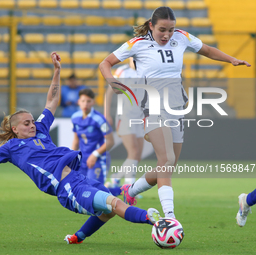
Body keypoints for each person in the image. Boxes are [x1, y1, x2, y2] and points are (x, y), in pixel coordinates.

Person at [0, 52, 161, 245]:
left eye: (32, 121)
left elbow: (52, 101)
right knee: (114, 205)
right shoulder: (11, 148)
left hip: (79, 177)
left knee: (108, 211)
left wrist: (57, 71)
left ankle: (78, 236)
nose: (32, 124)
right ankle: (156, 222)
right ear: (15, 129)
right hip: (66, 187)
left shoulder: (40, 130)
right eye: (26, 123)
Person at [99, 6, 251, 219]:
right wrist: (112, 80)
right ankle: (170, 217)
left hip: (176, 108)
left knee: (168, 164)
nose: (167, 35)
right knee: (167, 159)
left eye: (171, 30)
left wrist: (231, 59)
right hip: (152, 107)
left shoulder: (182, 37)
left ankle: (130, 191)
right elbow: (105, 63)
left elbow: (206, 50)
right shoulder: (137, 44)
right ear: (151, 26)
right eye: (162, 29)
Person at [71, 88, 121, 196]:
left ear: (93, 102)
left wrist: (95, 154)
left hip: (99, 159)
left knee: (94, 190)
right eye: (83, 101)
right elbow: (76, 140)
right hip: (83, 159)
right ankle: (119, 190)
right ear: (79, 101)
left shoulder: (99, 119)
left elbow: (110, 141)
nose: (85, 104)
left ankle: (121, 190)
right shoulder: (75, 117)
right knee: (80, 189)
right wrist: (71, 157)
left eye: (89, 101)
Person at [104, 57, 145, 189]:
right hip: (125, 115)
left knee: (137, 155)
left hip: (140, 117)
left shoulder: (146, 71)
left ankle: (116, 177)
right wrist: (107, 113)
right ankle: (130, 187)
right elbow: (109, 92)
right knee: (133, 151)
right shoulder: (123, 72)